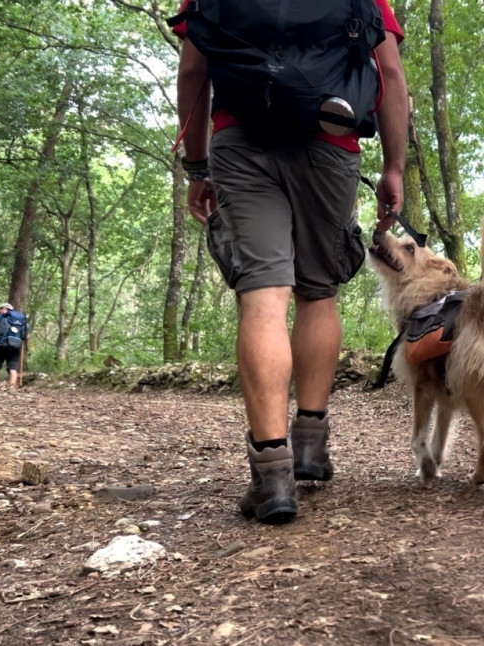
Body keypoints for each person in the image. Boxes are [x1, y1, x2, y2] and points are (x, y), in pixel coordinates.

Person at [173, 1, 408, 523]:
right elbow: (388, 72)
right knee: (318, 291)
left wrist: (196, 164)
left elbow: (194, 70)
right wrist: (394, 167)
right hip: (330, 140)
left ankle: (272, 477)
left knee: (263, 295)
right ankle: (309, 447)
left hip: (241, 139)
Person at [0, 302, 30, 389]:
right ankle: (11, 387)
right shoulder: (22, 319)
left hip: (2, 345)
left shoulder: (0, 317)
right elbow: (27, 336)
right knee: (13, 368)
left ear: (4, 309)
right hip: (16, 346)